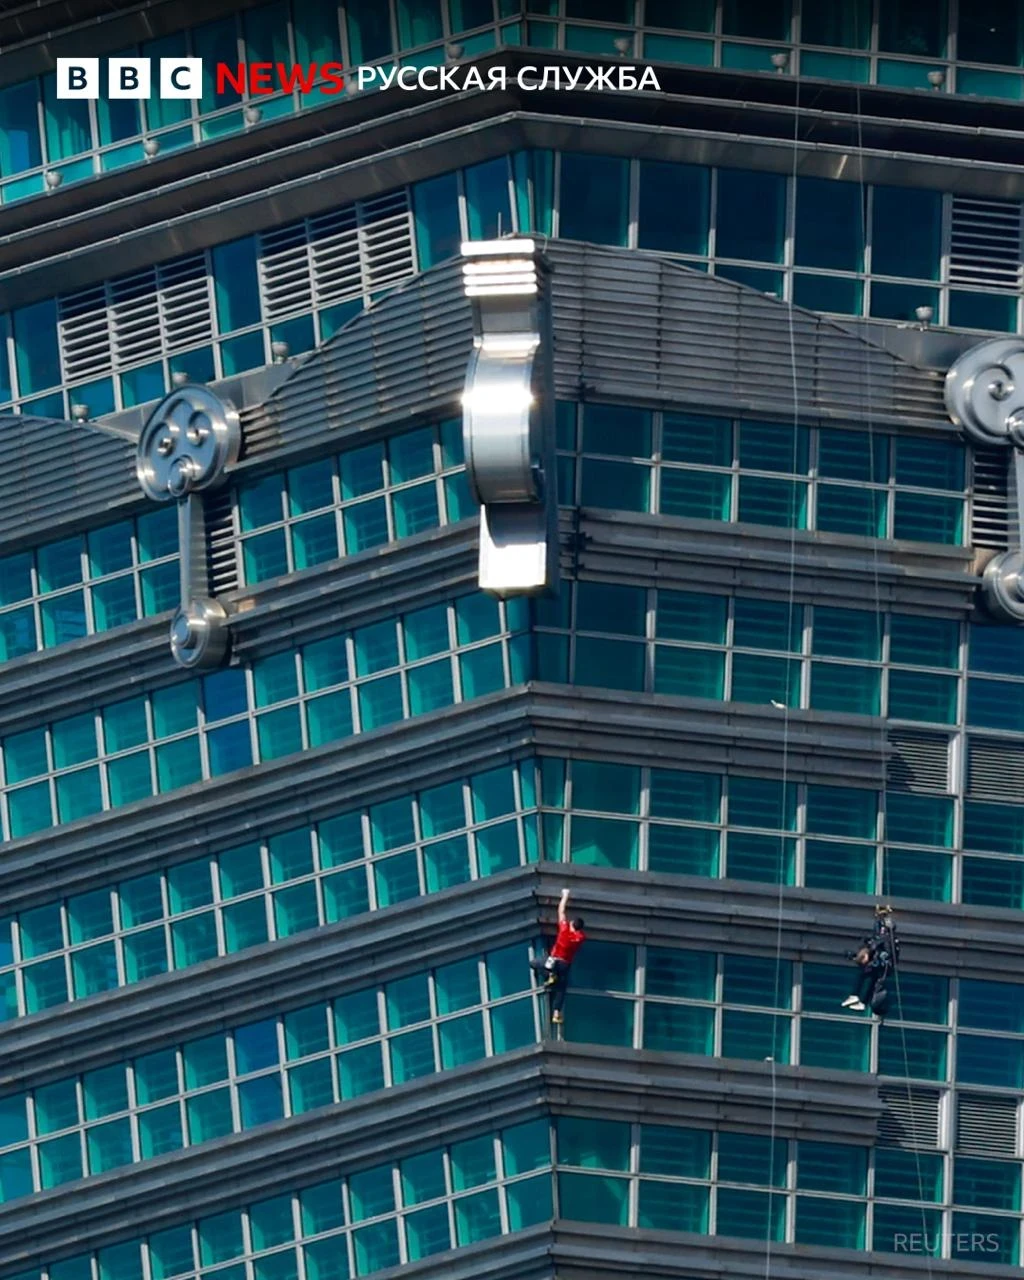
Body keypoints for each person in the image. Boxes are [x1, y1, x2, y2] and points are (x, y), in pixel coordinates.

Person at [529, 887, 585, 1025]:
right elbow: (578, 933)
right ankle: (556, 1013)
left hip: (554, 961)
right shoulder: (580, 937)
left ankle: (549, 975)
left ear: (572, 924)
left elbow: (561, 911)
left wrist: (565, 895)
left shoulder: (564, 930)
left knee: (534, 963)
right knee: (561, 989)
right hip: (565, 964)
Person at [842, 906, 900, 1016]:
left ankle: (855, 995)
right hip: (885, 965)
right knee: (872, 980)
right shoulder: (889, 939)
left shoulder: (884, 938)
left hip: (883, 963)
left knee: (863, 975)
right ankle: (863, 1001)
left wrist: (870, 951)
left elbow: (877, 945)